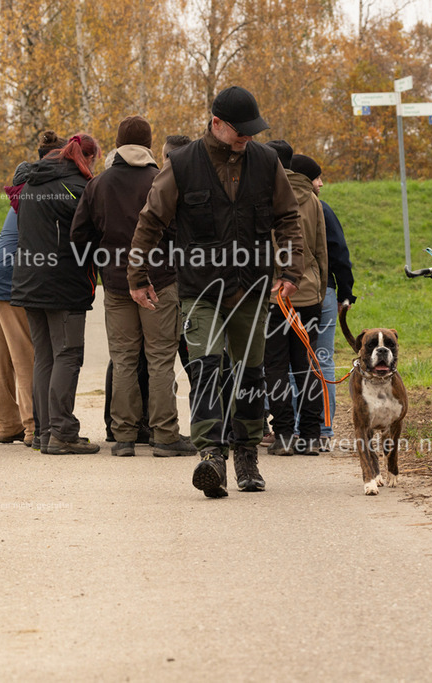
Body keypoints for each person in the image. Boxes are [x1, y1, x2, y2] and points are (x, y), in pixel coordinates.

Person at [128, 85, 304, 497]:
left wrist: (290, 269)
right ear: (216, 124)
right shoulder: (183, 163)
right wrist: (137, 276)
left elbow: (289, 218)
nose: (246, 137)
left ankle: (246, 455)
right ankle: (210, 455)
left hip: (253, 289)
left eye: (251, 130)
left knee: (248, 374)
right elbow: (150, 221)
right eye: (239, 130)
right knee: (206, 368)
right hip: (201, 292)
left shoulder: (267, 161)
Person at [71, 116, 196, 458]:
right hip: (160, 282)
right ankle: (165, 435)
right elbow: (182, 233)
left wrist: (105, 257)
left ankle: (124, 436)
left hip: (115, 286)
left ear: (118, 143)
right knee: (159, 360)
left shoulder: (99, 184)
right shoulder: (161, 181)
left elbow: (78, 235)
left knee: (124, 359)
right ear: (149, 144)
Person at [11, 133, 101, 455]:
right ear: (85, 159)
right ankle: (62, 432)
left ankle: (44, 432)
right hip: (64, 283)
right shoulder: (77, 187)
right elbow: (89, 236)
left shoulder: (31, 183)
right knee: (68, 354)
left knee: (45, 356)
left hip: (28, 280)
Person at [0, 131, 65, 447]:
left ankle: (7, 424)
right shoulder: (43, 192)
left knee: (1, 355)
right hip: (12, 279)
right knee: (26, 356)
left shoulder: (23, 190)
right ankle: (32, 427)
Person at [264, 152, 328, 456]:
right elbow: (320, 250)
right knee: (307, 364)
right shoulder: (312, 200)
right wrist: (319, 287)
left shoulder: (264, 197)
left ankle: (285, 433)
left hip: (276, 293)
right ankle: (313, 434)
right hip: (309, 292)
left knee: (275, 365)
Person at [317, 162, 356, 451]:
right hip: (323, 290)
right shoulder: (321, 209)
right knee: (323, 358)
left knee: (290, 362)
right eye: (316, 177)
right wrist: (346, 292)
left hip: (279, 293)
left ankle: (291, 425)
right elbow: (339, 252)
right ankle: (324, 426)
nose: (321, 183)